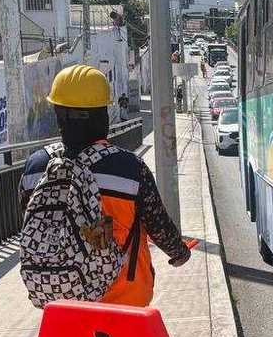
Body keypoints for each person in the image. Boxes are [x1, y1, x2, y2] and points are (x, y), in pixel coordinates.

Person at [20, 64, 190, 307]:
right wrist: (179, 253)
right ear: (102, 116)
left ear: (58, 114)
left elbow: (29, 224)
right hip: (124, 301)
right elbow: (158, 225)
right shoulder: (129, 169)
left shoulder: (35, 168)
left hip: (62, 302)